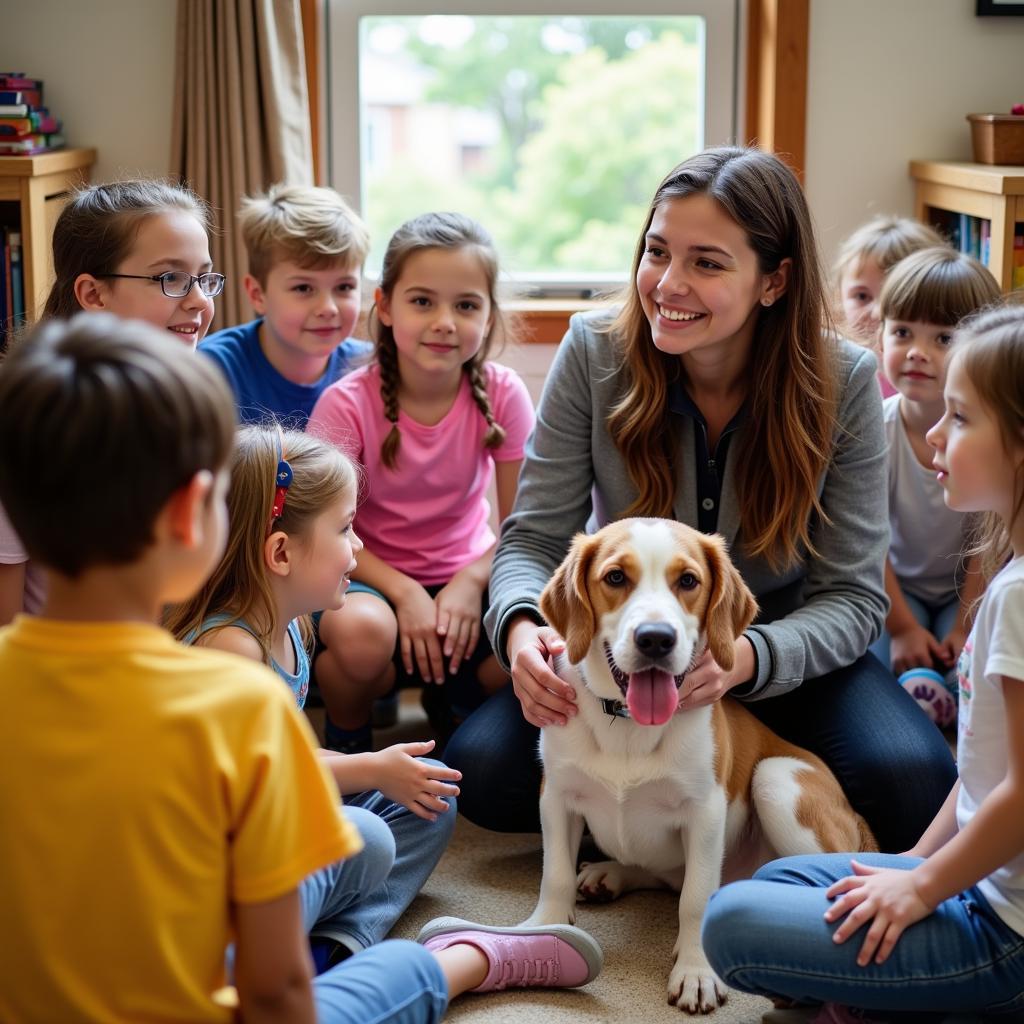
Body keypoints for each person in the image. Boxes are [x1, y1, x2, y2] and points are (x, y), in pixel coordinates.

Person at [0, 312, 604, 1023]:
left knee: (417, 807)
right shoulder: (228, 697)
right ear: (194, 514)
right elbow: (273, 995)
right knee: (398, 955)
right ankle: (462, 962)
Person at [443, 147, 957, 854]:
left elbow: (852, 597)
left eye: (706, 263)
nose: (668, 284)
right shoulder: (593, 354)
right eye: (657, 252)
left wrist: (746, 656)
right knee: (487, 771)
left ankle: (722, 797)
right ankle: (658, 834)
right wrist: (525, 630)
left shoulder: (844, 382)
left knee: (912, 787)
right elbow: (531, 539)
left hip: (778, 649)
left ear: (773, 281)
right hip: (628, 655)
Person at [701, 304, 1024, 1021]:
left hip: (1005, 932)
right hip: (970, 883)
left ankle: (949, 996)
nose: (934, 433)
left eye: (962, 419)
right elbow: (982, 777)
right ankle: (887, 987)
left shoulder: (1021, 599)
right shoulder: (1011, 578)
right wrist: (909, 862)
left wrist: (920, 889)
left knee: (730, 929)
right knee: (780, 878)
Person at [166, 424, 461, 965]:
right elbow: (266, 775)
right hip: (214, 844)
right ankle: (275, 955)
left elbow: (290, 758)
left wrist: (382, 771)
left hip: (265, 810)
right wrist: (370, 768)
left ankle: (334, 943)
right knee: (368, 836)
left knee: (430, 801)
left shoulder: (293, 622)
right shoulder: (229, 649)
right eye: (346, 529)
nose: (360, 545)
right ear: (281, 552)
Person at [308, 212, 535, 754]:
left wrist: (472, 581)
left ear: (488, 315)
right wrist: (405, 590)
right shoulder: (346, 403)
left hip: (468, 580)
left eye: (466, 305)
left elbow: (525, 526)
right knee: (362, 636)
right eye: (422, 301)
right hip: (369, 579)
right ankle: (350, 738)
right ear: (385, 306)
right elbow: (317, 532)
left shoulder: (503, 394)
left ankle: (453, 701)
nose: (445, 322)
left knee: (539, 641)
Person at [0, 178, 225, 624]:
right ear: (93, 294)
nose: (199, 300)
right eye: (171, 278)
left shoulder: (188, 393)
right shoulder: (26, 424)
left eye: (203, 277)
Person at [868, 247, 1001, 725]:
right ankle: (918, 699)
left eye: (943, 337)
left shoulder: (984, 440)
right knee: (878, 665)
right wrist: (902, 626)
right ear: (880, 334)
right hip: (892, 588)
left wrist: (964, 622)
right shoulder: (874, 432)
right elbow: (869, 541)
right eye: (902, 332)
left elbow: (989, 538)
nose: (917, 353)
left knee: (973, 662)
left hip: (961, 589)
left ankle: (945, 696)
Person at [199, 184, 372, 428]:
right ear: (258, 295)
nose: (328, 308)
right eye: (303, 288)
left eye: (344, 287)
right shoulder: (211, 371)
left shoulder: (370, 369)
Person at [832, 215, 946, 397]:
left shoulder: (931, 374)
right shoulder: (838, 368)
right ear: (840, 297)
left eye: (895, 299)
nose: (878, 312)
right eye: (862, 296)